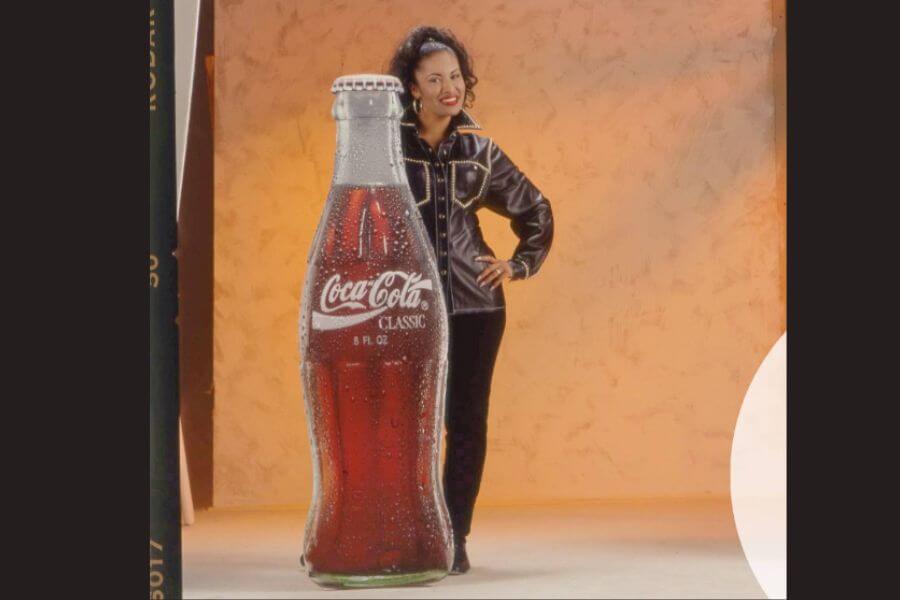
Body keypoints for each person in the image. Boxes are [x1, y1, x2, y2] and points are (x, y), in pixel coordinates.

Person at [387, 26, 555, 574]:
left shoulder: (480, 151)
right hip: (407, 307)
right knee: (406, 422)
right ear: (412, 86)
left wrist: (517, 263)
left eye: (455, 76)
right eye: (434, 78)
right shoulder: (386, 147)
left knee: (465, 422)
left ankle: (452, 536)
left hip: (476, 309)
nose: (448, 88)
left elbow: (537, 210)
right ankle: (401, 531)